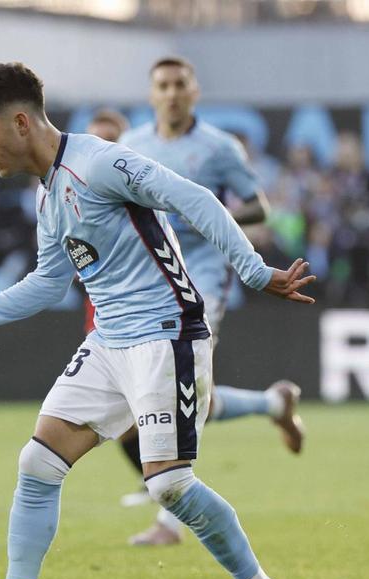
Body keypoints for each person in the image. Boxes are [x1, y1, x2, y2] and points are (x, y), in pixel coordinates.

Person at [0, 62, 311, 579]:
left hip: (165, 334)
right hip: (110, 341)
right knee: (38, 462)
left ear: (20, 121)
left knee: (169, 484)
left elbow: (192, 197)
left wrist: (254, 271)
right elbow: (47, 284)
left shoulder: (99, 162)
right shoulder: (48, 192)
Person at [117, 58, 303, 546]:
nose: (173, 93)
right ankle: (274, 402)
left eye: (181, 85)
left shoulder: (220, 148)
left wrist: (209, 216)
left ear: (194, 91)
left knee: (180, 389)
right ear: (152, 94)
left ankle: (169, 523)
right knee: (192, 396)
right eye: (163, 86)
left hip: (201, 278)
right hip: (147, 279)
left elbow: (258, 204)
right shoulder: (132, 146)